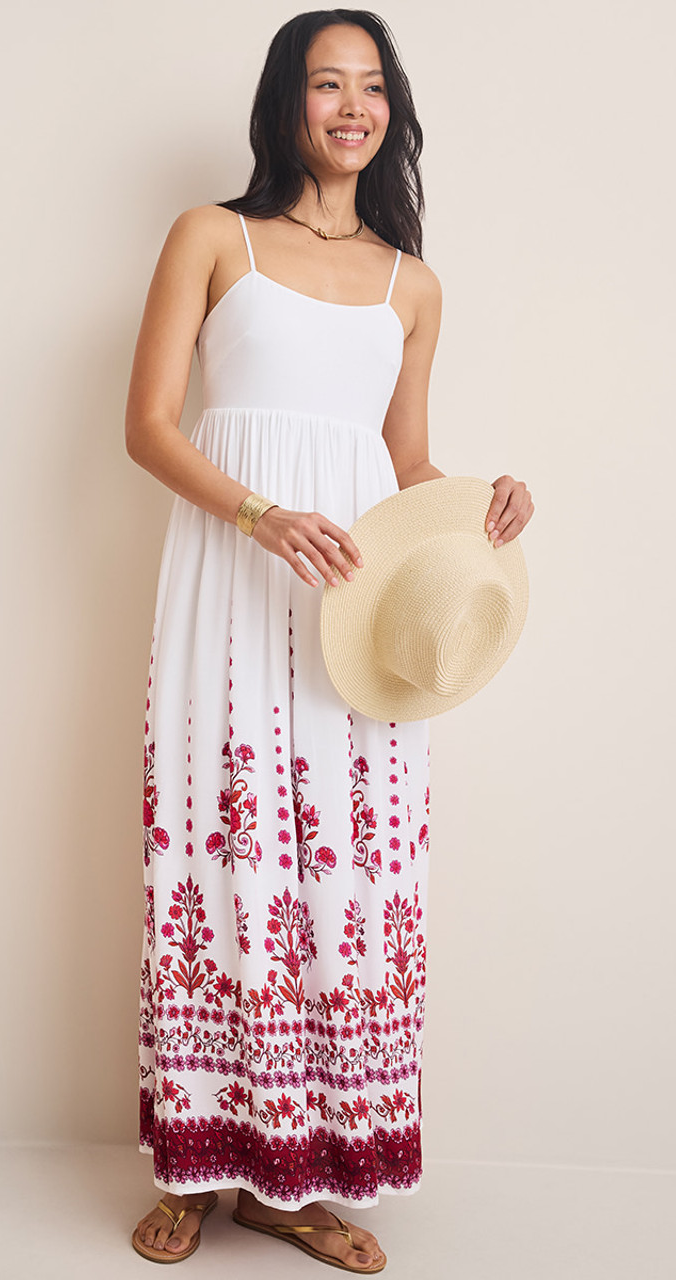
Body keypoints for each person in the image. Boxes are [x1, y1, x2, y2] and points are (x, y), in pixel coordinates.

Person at [125, 8, 534, 1272]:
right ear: (285, 102)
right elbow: (149, 425)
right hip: (229, 589)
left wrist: (481, 502)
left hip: (352, 607)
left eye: (370, 87)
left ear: (390, 112)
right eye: (325, 83)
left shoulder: (414, 284)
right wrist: (260, 515)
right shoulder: (213, 237)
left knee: (337, 871)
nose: (351, 107)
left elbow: (402, 462)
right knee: (220, 846)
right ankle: (197, 1163)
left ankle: (290, 1180)